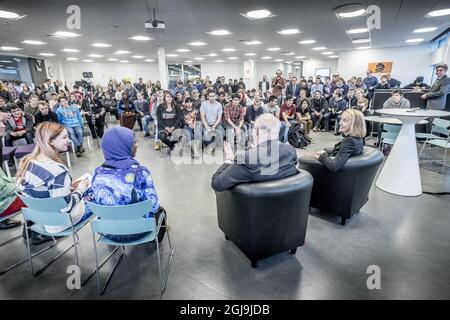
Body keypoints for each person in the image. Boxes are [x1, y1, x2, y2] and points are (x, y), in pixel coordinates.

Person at [83, 126, 165, 242]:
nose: (137, 144)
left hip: (108, 232)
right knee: (161, 210)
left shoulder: (97, 174)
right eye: (133, 142)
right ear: (122, 146)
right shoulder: (141, 172)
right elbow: (154, 206)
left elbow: (93, 202)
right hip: (139, 231)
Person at [16, 122, 91, 242]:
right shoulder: (58, 172)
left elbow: (40, 191)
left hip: (40, 218)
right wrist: (81, 188)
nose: (69, 140)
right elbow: (67, 208)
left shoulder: (28, 162)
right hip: (61, 223)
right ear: (50, 140)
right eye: (64, 137)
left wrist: (67, 188)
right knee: (96, 193)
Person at [211, 114, 298, 191]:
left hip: (252, 207)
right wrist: (256, 150)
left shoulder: (246, 158)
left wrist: (229, 159)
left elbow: (217, 184)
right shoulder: (290, 150)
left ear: (256, 131)